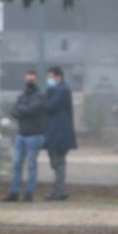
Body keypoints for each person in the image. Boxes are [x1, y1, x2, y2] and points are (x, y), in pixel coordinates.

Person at [5, 69, 46, 202]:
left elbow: (32, 110)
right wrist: (24, 110)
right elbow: (13, 111)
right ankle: (14, 192)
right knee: (17, 164)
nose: (29, 82)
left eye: (32, 79)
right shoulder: (22, 96)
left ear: (36, 80)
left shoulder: (40, 96)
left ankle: (29, 193)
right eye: (28, 79)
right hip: (21, 135)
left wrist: (21, 109)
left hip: (34, 135)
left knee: (31, 165)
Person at [43, 65, 77, 201]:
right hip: (57, 133)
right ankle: (59, 190)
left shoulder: (62, 90)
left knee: (58, 164)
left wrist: (49, 90)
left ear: (58, 76)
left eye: (50, 78)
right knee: (58, 164)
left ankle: (59, 191)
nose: (48, 81)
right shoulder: (60, 89)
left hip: (59, 134)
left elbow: (50, 106)